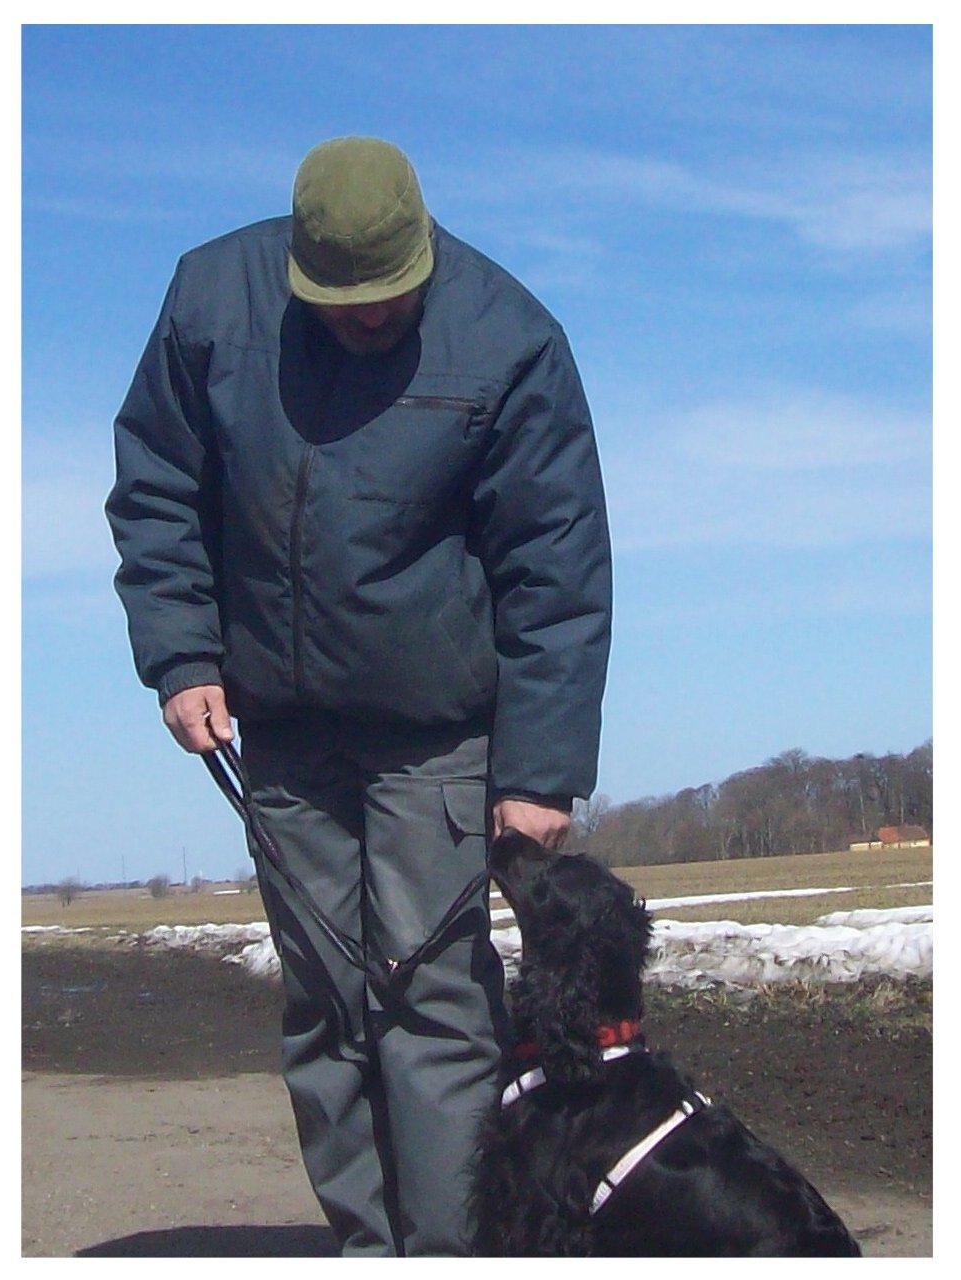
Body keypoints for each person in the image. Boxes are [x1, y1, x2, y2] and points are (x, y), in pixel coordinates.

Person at [106, 136, 612, 1256]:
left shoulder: (511, 339)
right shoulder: (208, 301)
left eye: (390, 298)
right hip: (280, 736)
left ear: (423, 251)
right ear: (296, 265)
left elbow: (555, 566)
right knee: (328, 1000)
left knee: (433, 1004)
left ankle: (454, 1250)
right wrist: (182, 652)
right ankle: (370, 1246)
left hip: (436, 737)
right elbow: (156, 486)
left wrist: (538, 772)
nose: (369, 319)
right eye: (341, 301)